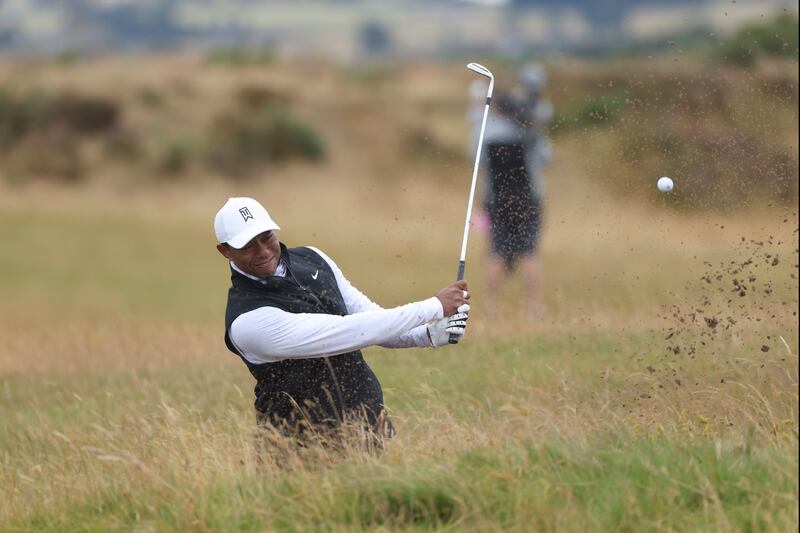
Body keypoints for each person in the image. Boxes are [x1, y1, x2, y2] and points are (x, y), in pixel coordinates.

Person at [214, 197, 471, 445]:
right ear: (225, 251)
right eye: (248, 245)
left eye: (267, 237)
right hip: (297, 446)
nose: (263, 251)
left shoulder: (313, 257)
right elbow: (350, 331)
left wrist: (427, 334)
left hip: (368, 421)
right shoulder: (247, 320)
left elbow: (369, 316)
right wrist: (433, 307)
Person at [468, 62, 553, 318]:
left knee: (496, 250)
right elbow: (546, 157)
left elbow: (476, 159)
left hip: (496, 199)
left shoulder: (486, 129)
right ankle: (533, 307)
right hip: (529, 198)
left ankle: (493, 307)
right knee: (529, 250)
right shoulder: (528, 129)